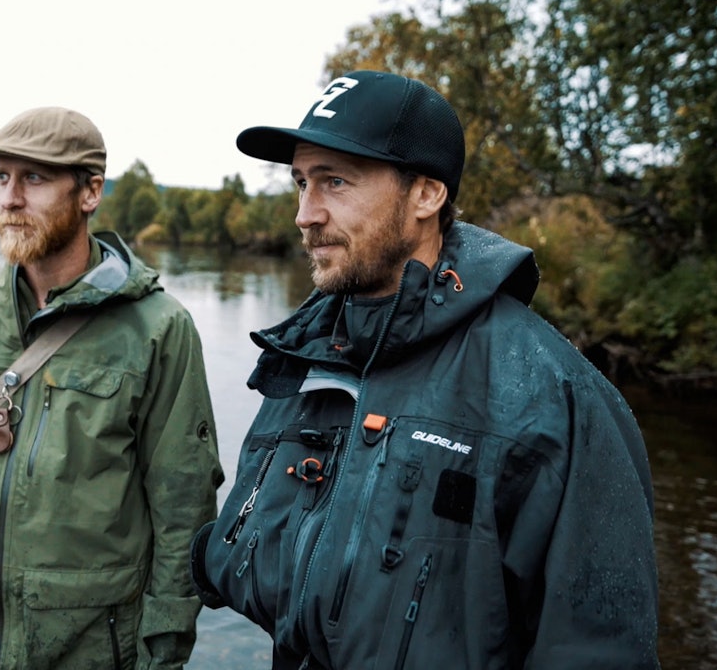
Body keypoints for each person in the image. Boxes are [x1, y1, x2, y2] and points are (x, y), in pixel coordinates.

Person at [189, 71, 660, 669]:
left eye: (335, 181)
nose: (306, 214)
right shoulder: (306, 356)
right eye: (302, 183)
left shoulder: (555, 397)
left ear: (426, 195)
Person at [0, 106, 224, 670]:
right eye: (1, 177)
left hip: (92, 651)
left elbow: (183, 513)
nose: (10, 198)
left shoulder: (160, 330)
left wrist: (162, 660)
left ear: (90, 192)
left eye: (34, 178)